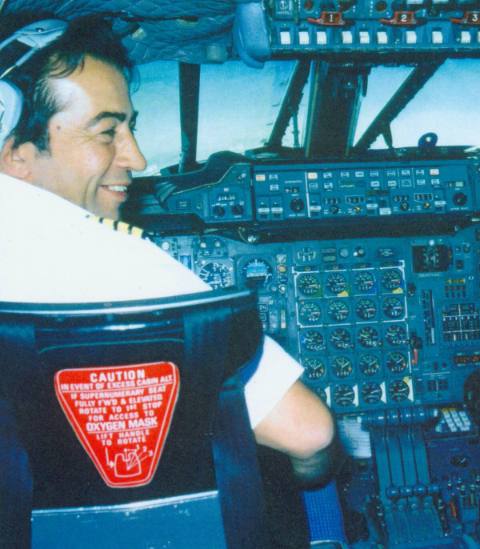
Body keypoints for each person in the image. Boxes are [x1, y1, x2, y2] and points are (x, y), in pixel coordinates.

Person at [0, 15, 334, 485]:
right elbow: (309, 433)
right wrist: (314, 474)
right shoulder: (114, 263)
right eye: (106, 132)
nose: (136, 159)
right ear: (15, 150)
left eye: (129, 129)